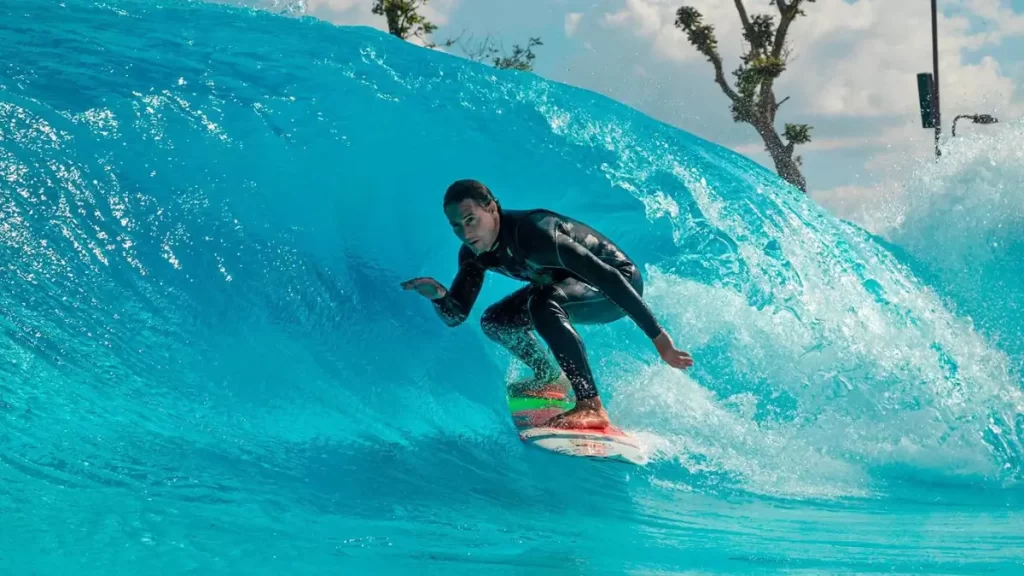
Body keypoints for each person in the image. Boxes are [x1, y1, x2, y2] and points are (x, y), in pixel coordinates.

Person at [401, 179, 693, 429]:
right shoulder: (473, 255)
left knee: (543, 303)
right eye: (456, 226)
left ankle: (591, 406)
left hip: (617, 284)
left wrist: (660, 340)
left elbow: (609, 278)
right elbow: (456, 316)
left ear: (491, 208)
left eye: (470, 220)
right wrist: (439, 296)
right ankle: (549, 377)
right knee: (495, 321)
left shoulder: (537, 233)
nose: (465, 233)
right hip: (562, 288)